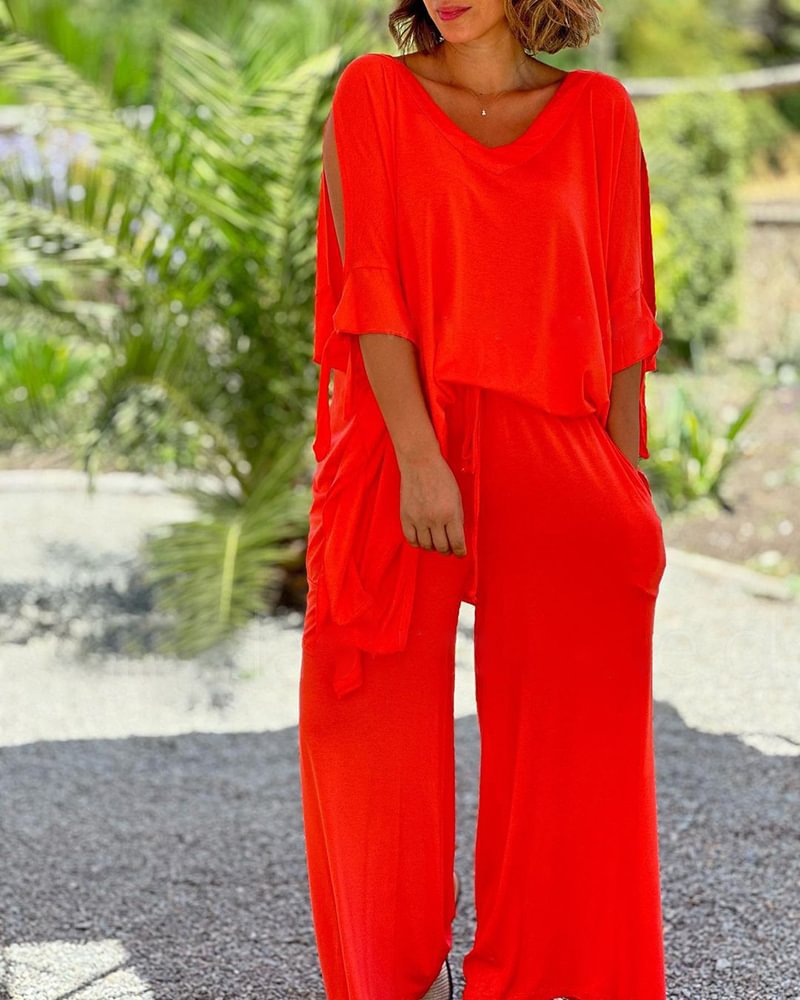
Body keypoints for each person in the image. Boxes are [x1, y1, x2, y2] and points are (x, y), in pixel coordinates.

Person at [298, 0, 669, 996]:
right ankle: (395, 980)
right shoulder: (374, 94)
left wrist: (619, 480)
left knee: (575, 764)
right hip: (398, 444)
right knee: (356, 722)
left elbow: (622, 307)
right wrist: (422, 459)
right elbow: (371, 282)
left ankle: (530, 975)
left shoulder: (597, 113)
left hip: (556, 452)